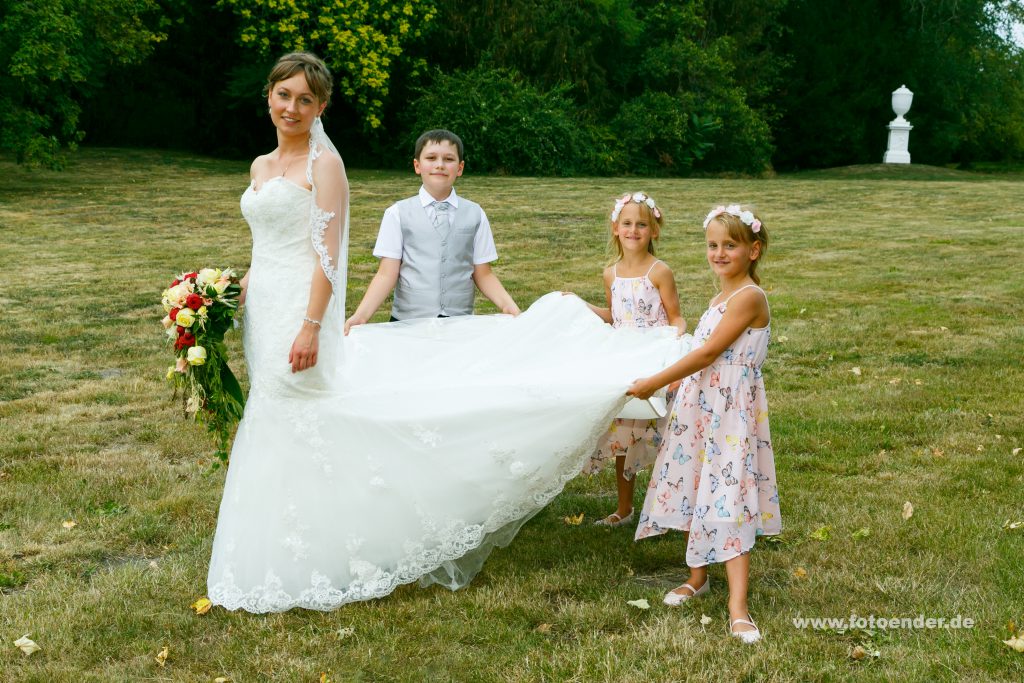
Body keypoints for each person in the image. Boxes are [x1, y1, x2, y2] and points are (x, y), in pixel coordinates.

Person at [206, 53, 690, 613]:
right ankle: (273, 532)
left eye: (305, 99)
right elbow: (265, 248)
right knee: (273, 414)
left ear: (321, 107)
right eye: (283, 95)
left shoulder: (327, 166)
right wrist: (228, 292)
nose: (292, 107)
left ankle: (334, 535)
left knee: (308, 410)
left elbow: (327, 256)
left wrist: (315, 325)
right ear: (268, 95)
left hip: (301, 312)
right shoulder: (260, 166)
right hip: (265, 311)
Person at [627, 204, 781, 644]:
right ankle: (698, 575)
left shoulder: (749, 298)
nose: (718, 253)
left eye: (729, 245)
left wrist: (656, 382)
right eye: (712, 245)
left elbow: (709, 354)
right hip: (703, 410)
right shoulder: (719, 297)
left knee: (728, 492)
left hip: (730, 414)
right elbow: (698, 356)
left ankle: (738, 606)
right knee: (698, 483)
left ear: (753, 250)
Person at [575, 192, 685, 527]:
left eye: (641, 224)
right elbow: (614, 314)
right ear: (615, 228)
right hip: (624, 357)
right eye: (627, 224)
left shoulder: (660, 271)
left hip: (655, 357)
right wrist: (580, 305)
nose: (633, 230)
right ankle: (624, 509)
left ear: (654, 230)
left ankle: (671, 507)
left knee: (664, 434)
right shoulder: (611, 274)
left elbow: (676, 317)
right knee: (624, 433)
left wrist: (673, 343)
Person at [344, 129, 519, 330]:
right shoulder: (397, 214)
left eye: (449, 159)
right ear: (417, 165)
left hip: (459, 324)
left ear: (460, 168)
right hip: (408, 323)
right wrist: (361, 315)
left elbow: (483, 273)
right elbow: (386, 273)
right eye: (431, 158)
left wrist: (508, 305)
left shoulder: (475, 213)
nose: (440, 165)